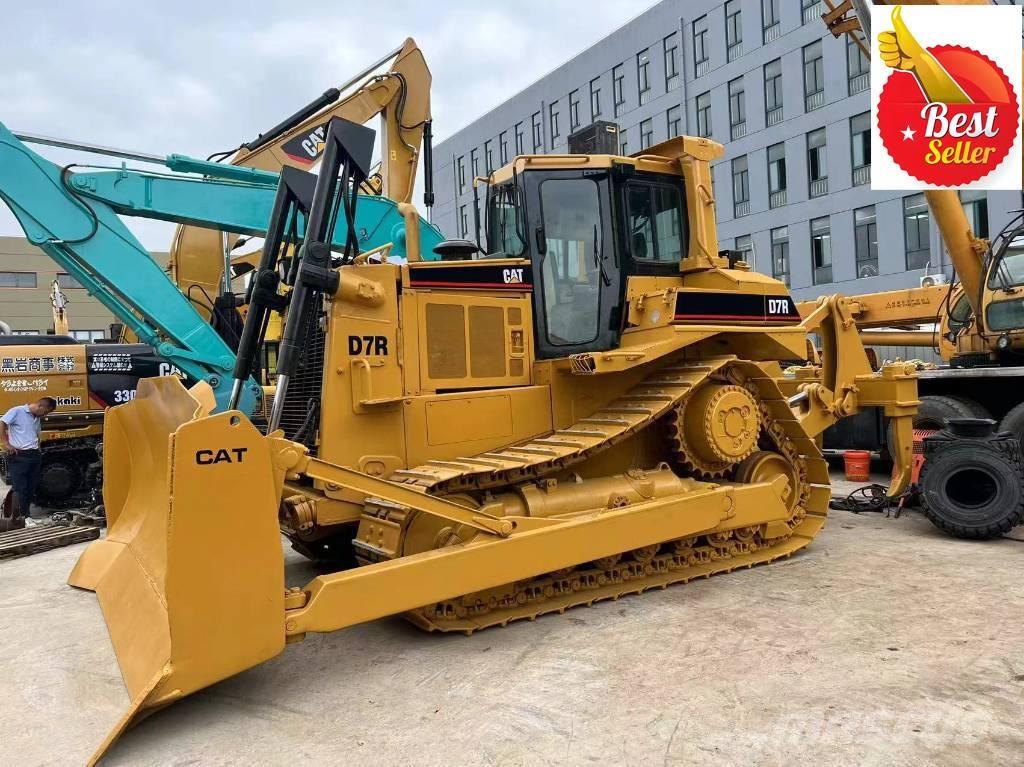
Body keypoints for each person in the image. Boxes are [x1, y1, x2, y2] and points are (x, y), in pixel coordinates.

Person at [1, 396, 57, 520]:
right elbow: (2, 423)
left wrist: (38, 450)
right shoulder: (17, 411)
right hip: (19, 456)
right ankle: (21, 517)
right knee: (20, 488)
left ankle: (26, 515)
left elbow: (35, 435)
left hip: (34, 455)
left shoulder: (36, 418)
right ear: (41, 406)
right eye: (46, 412)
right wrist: (6, 444)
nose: (45, 415)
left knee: (31, 487)